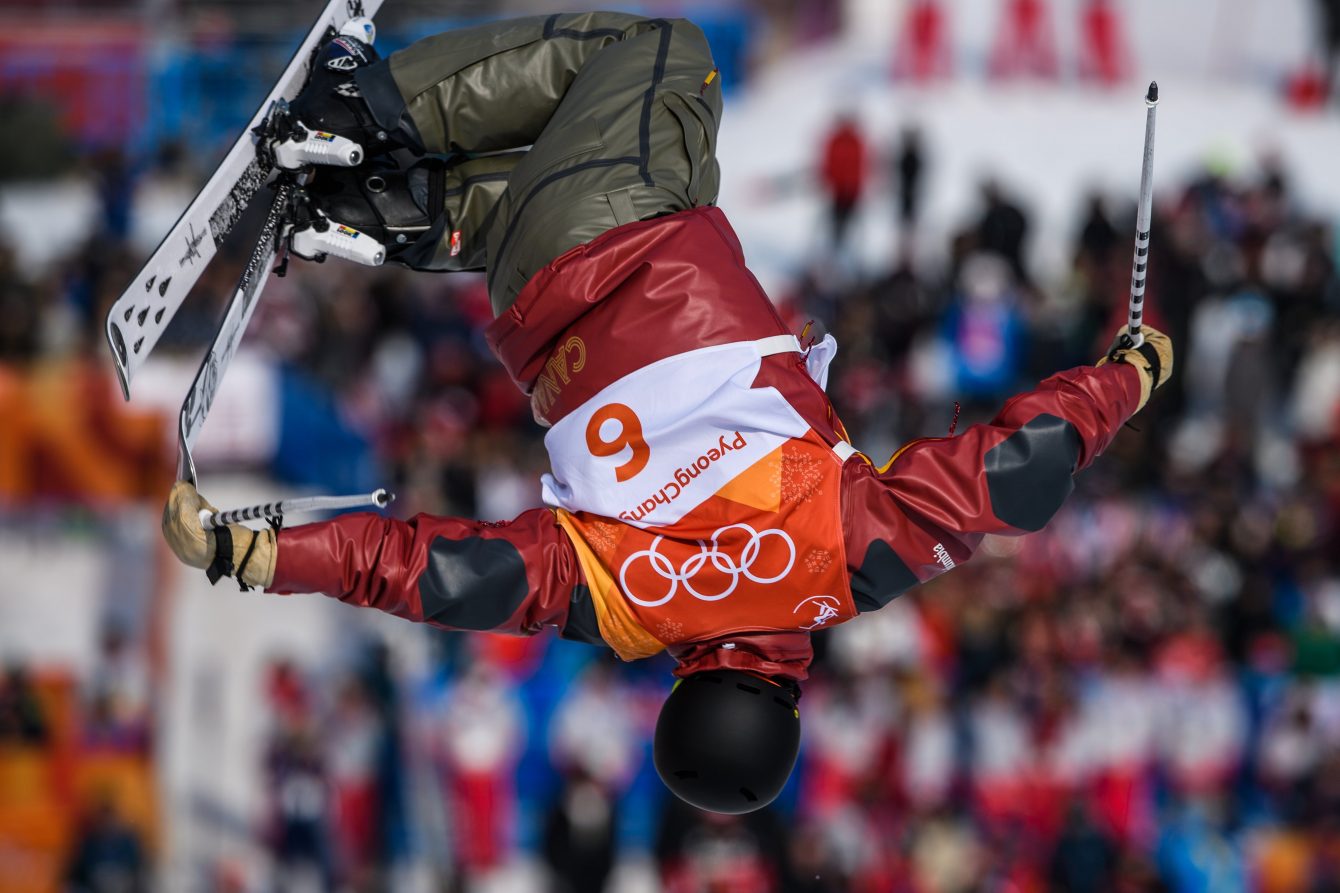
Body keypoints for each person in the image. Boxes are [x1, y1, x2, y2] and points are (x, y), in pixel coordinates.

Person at [161, 12, 1174, 815]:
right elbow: (433, 572)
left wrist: (1122, 379)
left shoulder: (845, 555)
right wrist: (260, 556)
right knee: (666, 163)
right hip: (527, 291)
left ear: (784, 696)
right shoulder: (620, 606)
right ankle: (378, 207)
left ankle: (363, 109)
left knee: (659, 55)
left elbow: (1012, 475)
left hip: (627, 235)